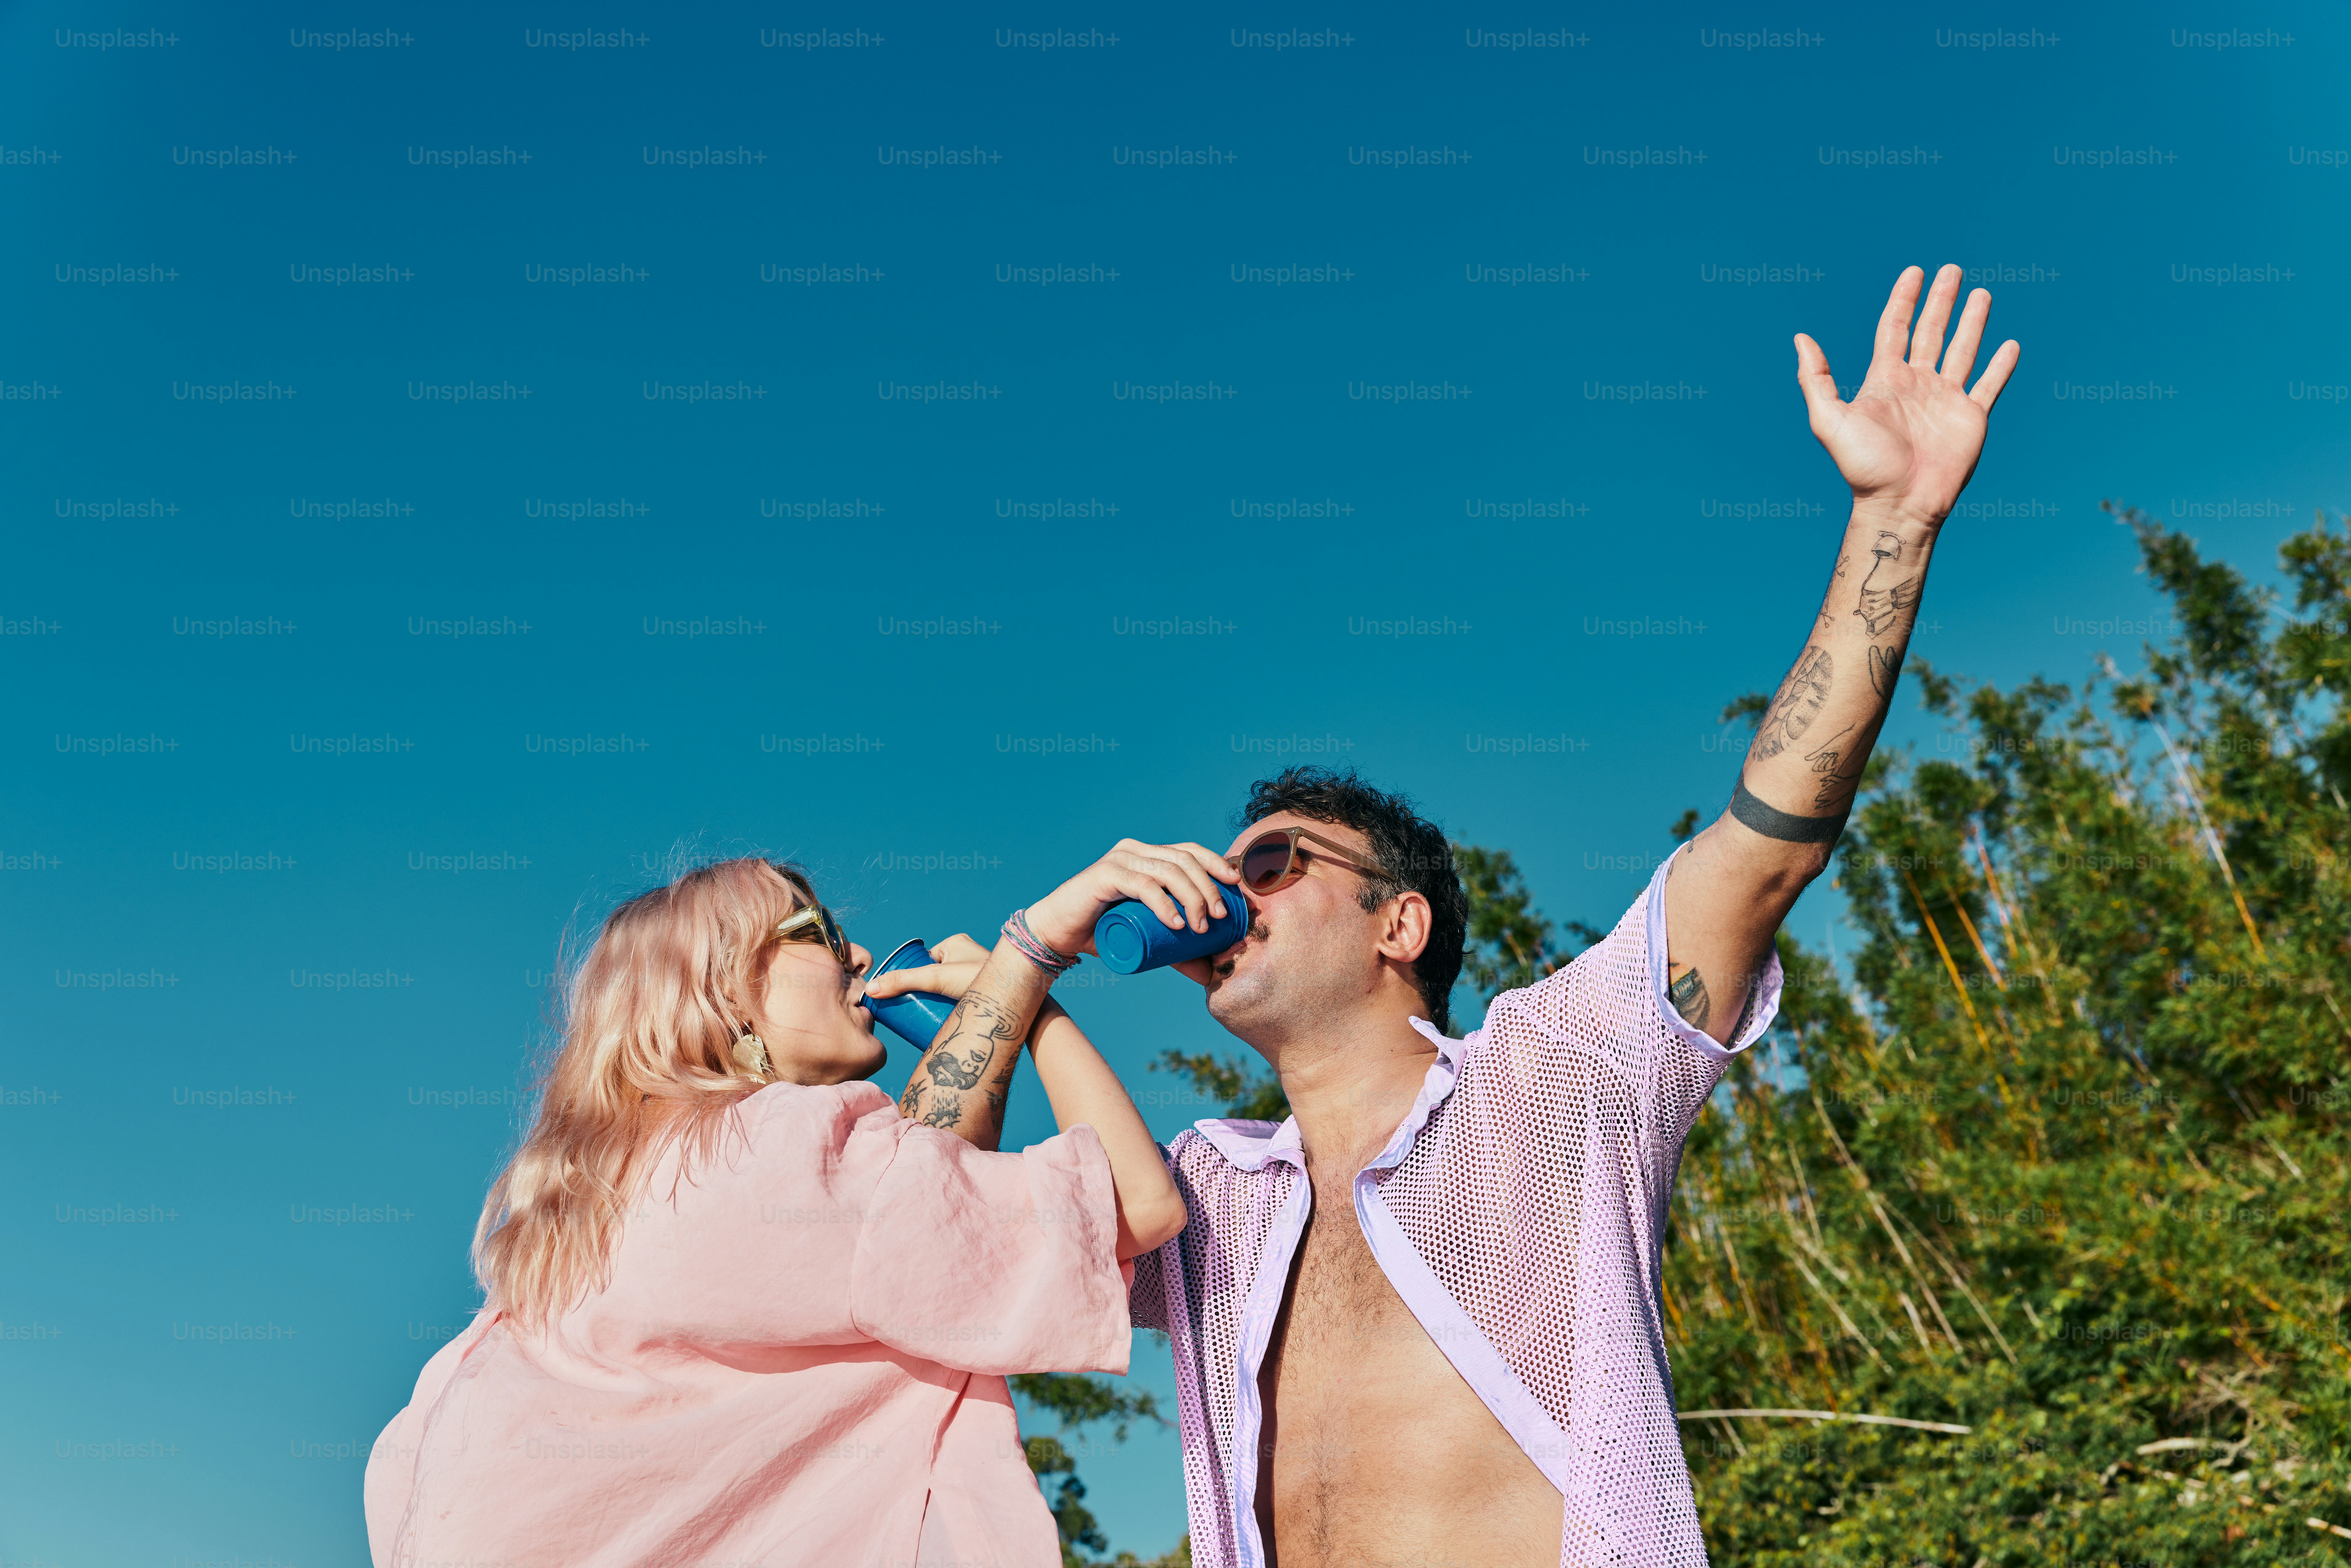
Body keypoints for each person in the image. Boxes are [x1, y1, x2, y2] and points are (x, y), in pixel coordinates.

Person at [1122, 265, 2022, 1567]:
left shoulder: (1555, 1076)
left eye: (1272, 864)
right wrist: (1036, 952)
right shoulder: (1202, 1197)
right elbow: (918, 1250)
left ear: (1397, 927)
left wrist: (1894, 520)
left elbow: (1765, 851)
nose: (1226, 893)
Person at [362, 845, 1241, 1568]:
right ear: (726, 989)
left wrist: (1004, 996)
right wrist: (1036, 974)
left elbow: (918, 1206)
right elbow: (1137, 1202)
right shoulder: (776, 1152)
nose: (859, 956)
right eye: (817, 931)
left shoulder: (573, 1239)